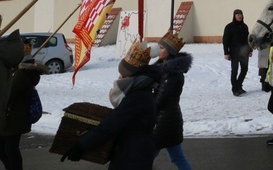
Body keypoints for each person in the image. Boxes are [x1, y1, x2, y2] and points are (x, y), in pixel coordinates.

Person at [61, 40, 160, 169]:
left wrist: (81, 145)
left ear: (131, 75)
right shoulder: (141, 91)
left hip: (132, 158)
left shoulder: (137, 97)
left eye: (123, 73)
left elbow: (110, 126)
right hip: (134, 153)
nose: (119, 76)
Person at [152, 31, 193, 170]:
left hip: (164, 122)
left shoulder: (172, 74)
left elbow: (161, 100)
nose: (158, 50)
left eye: (162, 48)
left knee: (145, 156)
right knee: (177, 158)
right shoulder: (164, 69)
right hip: (170, 121)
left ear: (169, 51)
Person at [0, 59, 44, 170]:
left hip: (13, 117)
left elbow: (8, 95)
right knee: (7, 148)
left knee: (10, 149)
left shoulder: (21, 74)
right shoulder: (18, 72)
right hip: (12, 116)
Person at [222, 9, 251, 96]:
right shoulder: (229, 27)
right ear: (234, 16)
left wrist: (250, 50)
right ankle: (235, 89)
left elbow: (248, 40)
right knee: (234, 71)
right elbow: (225, 40)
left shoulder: (245, 26)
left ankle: (239, 86)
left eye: (240, 14)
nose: (239, 16)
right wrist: (226, 52)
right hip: (234, 52)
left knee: (244, 70)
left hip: (244, 52)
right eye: (237, 14)